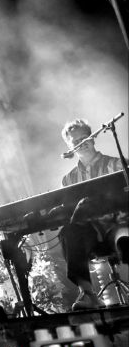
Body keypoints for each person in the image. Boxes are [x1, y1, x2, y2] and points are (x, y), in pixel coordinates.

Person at [57, 119, 125, 310]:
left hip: (117, 227)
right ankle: (88, 294)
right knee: (68, 232)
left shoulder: (117, 164)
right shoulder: (68, 179)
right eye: (76, 141)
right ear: (70, 147)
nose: (82, 143)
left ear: (93, 138)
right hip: (91, 237)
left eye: (85, 137)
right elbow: (67, 210)